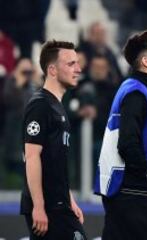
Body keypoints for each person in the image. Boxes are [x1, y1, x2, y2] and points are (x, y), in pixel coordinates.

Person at [94, 30, 147, 240]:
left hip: (124, 192)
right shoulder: (137, 93)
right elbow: (127, 143)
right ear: (146, 61)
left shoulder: (133, 89)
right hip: (133, 192)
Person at [20, 40, 86, 239]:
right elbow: (32, 157)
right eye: (71, 63)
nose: (79, 68)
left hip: (59, 204)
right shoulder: (40, 105)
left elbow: (56, 163)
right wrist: (39, 207)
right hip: (48, 208)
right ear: (52, 70)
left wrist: (70, 200)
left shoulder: (57, 106)